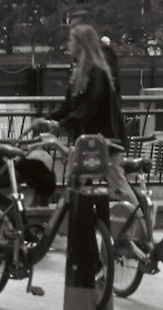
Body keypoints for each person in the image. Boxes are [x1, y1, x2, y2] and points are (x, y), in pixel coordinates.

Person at [48, 23, 128, 194]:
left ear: (80, 44)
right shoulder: (80, 72)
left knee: (117, 185)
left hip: (105, 139)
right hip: (89, 141)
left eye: (71, 41)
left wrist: (62, 124)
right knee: (76, 183)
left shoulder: (96, 72)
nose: (68, 45)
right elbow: (69, 106)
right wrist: (50, 119)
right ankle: (77, 217)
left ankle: (140, 218)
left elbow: (89, 106)